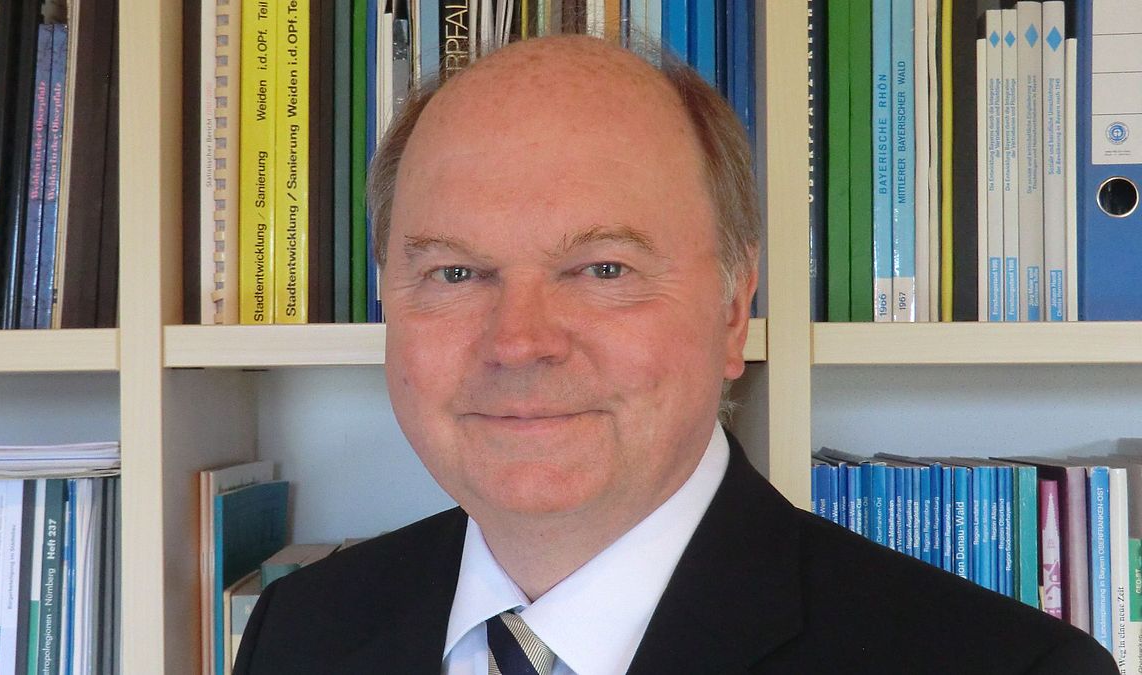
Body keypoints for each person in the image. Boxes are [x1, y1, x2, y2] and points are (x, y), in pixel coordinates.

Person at [234, 34, 1116, 674]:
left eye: (602, 268)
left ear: (732, 310)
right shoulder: (301, 632)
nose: (519, 341)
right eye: (455, 272)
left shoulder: (1001, 665)